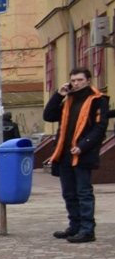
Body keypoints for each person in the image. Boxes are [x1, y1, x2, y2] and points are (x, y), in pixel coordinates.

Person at [43, 67, 109, 243]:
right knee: (69, 193)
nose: (76, 83)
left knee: (84, 192)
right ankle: (74, 226)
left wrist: (83, 146)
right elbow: (48, 116)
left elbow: (99, 127)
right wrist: (59, 95)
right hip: (64, 153)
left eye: (80, 80)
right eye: (73, 80)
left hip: (82, 154)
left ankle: (87, 230)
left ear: (88, 80)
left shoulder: (98, 100)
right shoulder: (68, 100)